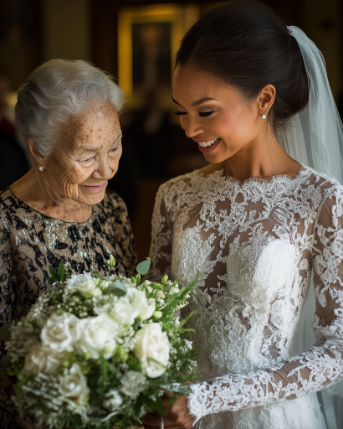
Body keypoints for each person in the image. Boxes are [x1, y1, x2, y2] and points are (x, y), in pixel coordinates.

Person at [147, 1, 343, 428]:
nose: (189, 128)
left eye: (206, 111)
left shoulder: (321, 200)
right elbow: (152, 318)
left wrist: (209, 397)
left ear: (264, 99)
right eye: (182, 111)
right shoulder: (174, 197)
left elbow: (338, 350)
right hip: (176, 419)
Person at [0, 59, 137, 428]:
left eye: (114, 147)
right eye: (87, 155)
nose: (106, 170)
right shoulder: (4, 226)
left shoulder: (113, 210)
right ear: (40, 151)